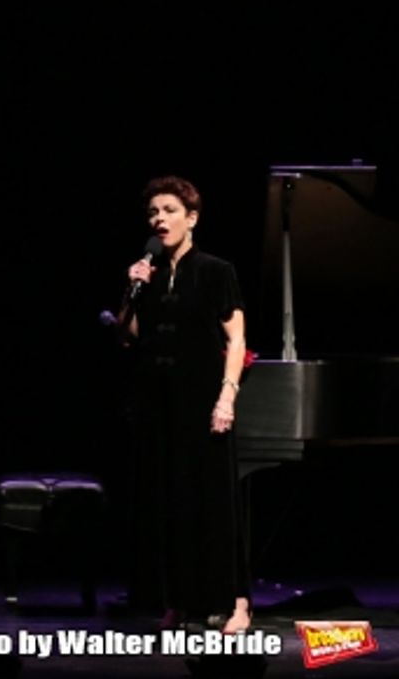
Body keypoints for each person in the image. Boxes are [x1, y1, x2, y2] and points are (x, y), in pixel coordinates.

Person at [119, 175, 251, 634]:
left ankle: (235, 600)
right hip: (159, 400)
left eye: (169, 210)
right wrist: (131, 290)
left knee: (215, 501)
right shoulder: (149, 273)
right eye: (153, 212)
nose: (159, 219)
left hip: (204, 399)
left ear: (191, 218)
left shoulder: (216, 270)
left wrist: (227, 397)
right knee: (168, 503)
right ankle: (176, 601)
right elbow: (130, 336)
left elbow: (235, 340)